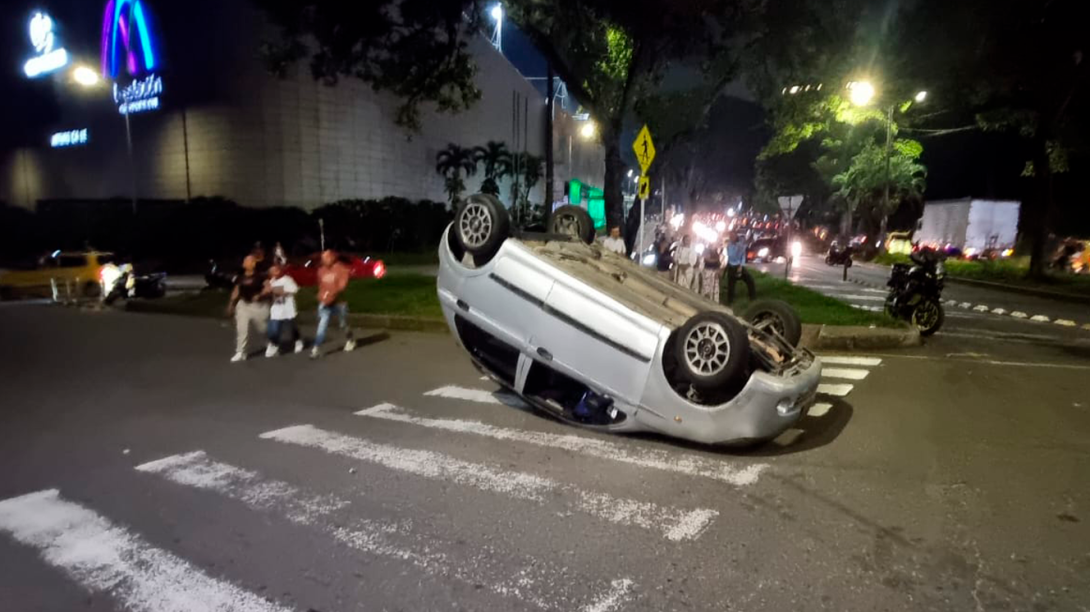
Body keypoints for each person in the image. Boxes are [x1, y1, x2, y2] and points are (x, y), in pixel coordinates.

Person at [312, 250, 355, 359]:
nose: (324, 260)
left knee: (343, 324)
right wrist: (321, 296)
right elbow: (320, 285)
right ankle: (316, 348)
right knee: (322, 325)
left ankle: (350, 340)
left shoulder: (341, 269)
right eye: (323, 258)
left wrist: (331, 294)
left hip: (339, 303)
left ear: (332, 258)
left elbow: (342, 286)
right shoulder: (321, 270)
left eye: (326, 258)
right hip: (325, 303)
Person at [227, 255, 269, 363]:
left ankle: (270, 342)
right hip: (243, 305)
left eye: (248, 261)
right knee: (242, 329)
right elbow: (236, 291)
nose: (245, 263)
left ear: (253, 264)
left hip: (258, 306)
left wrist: (260, 294)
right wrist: (231, 304)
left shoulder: (260, 276)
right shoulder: (240, 277)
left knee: (263, 328)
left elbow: (268, 287)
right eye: (244, 261)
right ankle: (240, 352)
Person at [264, 263, 303, 357]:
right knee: (273, 329)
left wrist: (275, 290)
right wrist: (266, 290)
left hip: (288, 309)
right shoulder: (271, 282)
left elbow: (294, 290)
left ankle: (297, 340)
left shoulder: (287, 279)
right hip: (276, 309)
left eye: (277, 270)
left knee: (291, 327)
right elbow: (267, 293)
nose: (275, 272)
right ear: (270, 273)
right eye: (272, 271)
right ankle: (274, 344)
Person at [725, 232, 756, 305]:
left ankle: (753, 298)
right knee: (731, 285)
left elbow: (743, 255)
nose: (732, 238)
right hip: (732, 265)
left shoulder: (741, 242)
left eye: (733, 236)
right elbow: (731, 256)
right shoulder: (730, 245)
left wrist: (741, 265)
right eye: (730, 237)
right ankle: (730, 301)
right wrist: (737, 248)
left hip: (739, 266)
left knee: (750, 280)